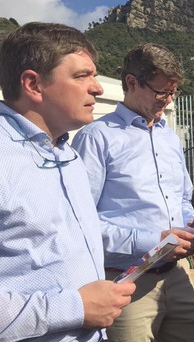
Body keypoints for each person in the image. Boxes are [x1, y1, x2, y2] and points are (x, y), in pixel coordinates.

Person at [0, 22, 135, 341]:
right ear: (33, 84)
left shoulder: (69, 157)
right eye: (81, 76)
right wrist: (74, 308)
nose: (98, 88)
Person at [72, 43, 194, 342]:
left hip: (177, 275)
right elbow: (79, 224)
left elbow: (182, 200)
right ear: (132, 83)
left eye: (173, 93)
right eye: (161, 92)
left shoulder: (169, 138)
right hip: (125, 282)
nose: (168, 100)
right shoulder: (96, 138)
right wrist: (154, 241)